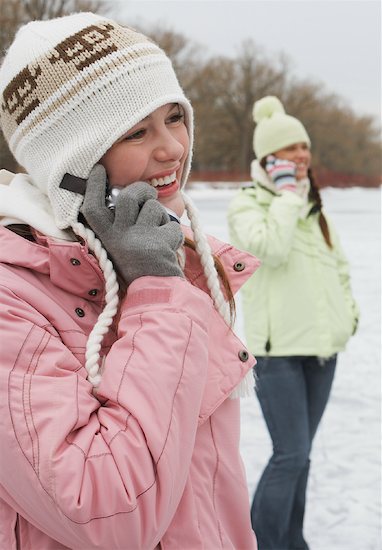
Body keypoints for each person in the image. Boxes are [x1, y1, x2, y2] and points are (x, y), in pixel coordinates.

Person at [0, 13, 260, 549]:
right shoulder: (15, 297)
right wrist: (157, 292)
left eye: (174, 117)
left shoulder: (182, 259)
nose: (172, 148)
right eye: (137, 132)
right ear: (72, 166)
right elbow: (105, 511)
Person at [227, 96, 358, 550]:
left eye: (304, 146)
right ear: (269, 157)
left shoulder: (314, 206)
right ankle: (261, 542)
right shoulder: (248, 204)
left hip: (322, 351)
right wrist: (284, 196)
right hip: (277, 351)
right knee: (291, 454)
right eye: (291, 148)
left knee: (301, 459)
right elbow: (270, 252)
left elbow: (338, 267)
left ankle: (293, 541)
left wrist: (349, 317)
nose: (302, 155)